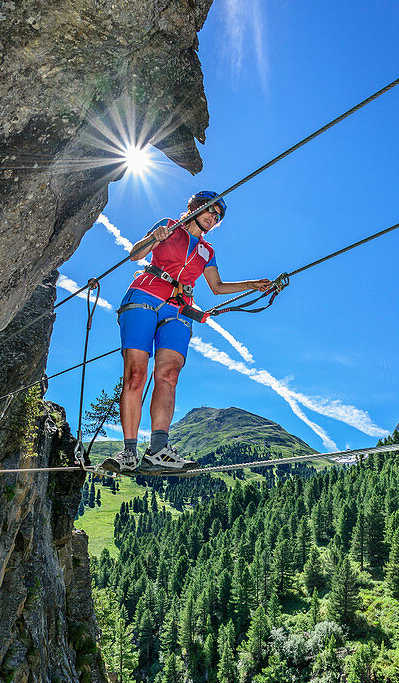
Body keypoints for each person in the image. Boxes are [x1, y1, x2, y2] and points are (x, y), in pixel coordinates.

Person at [102, 191, 273, 474]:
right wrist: (153, 238)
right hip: (145, 294)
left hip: (179, 311)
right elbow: (135, 255)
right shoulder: (169, 226)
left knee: (169, 375)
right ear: (194, 207)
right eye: (210, 210)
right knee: (136, 373)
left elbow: (217, 287)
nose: (213, 217)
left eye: (218, 216)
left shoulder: (208, 252)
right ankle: (128, 452)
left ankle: (157, 450)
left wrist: (252, 284)